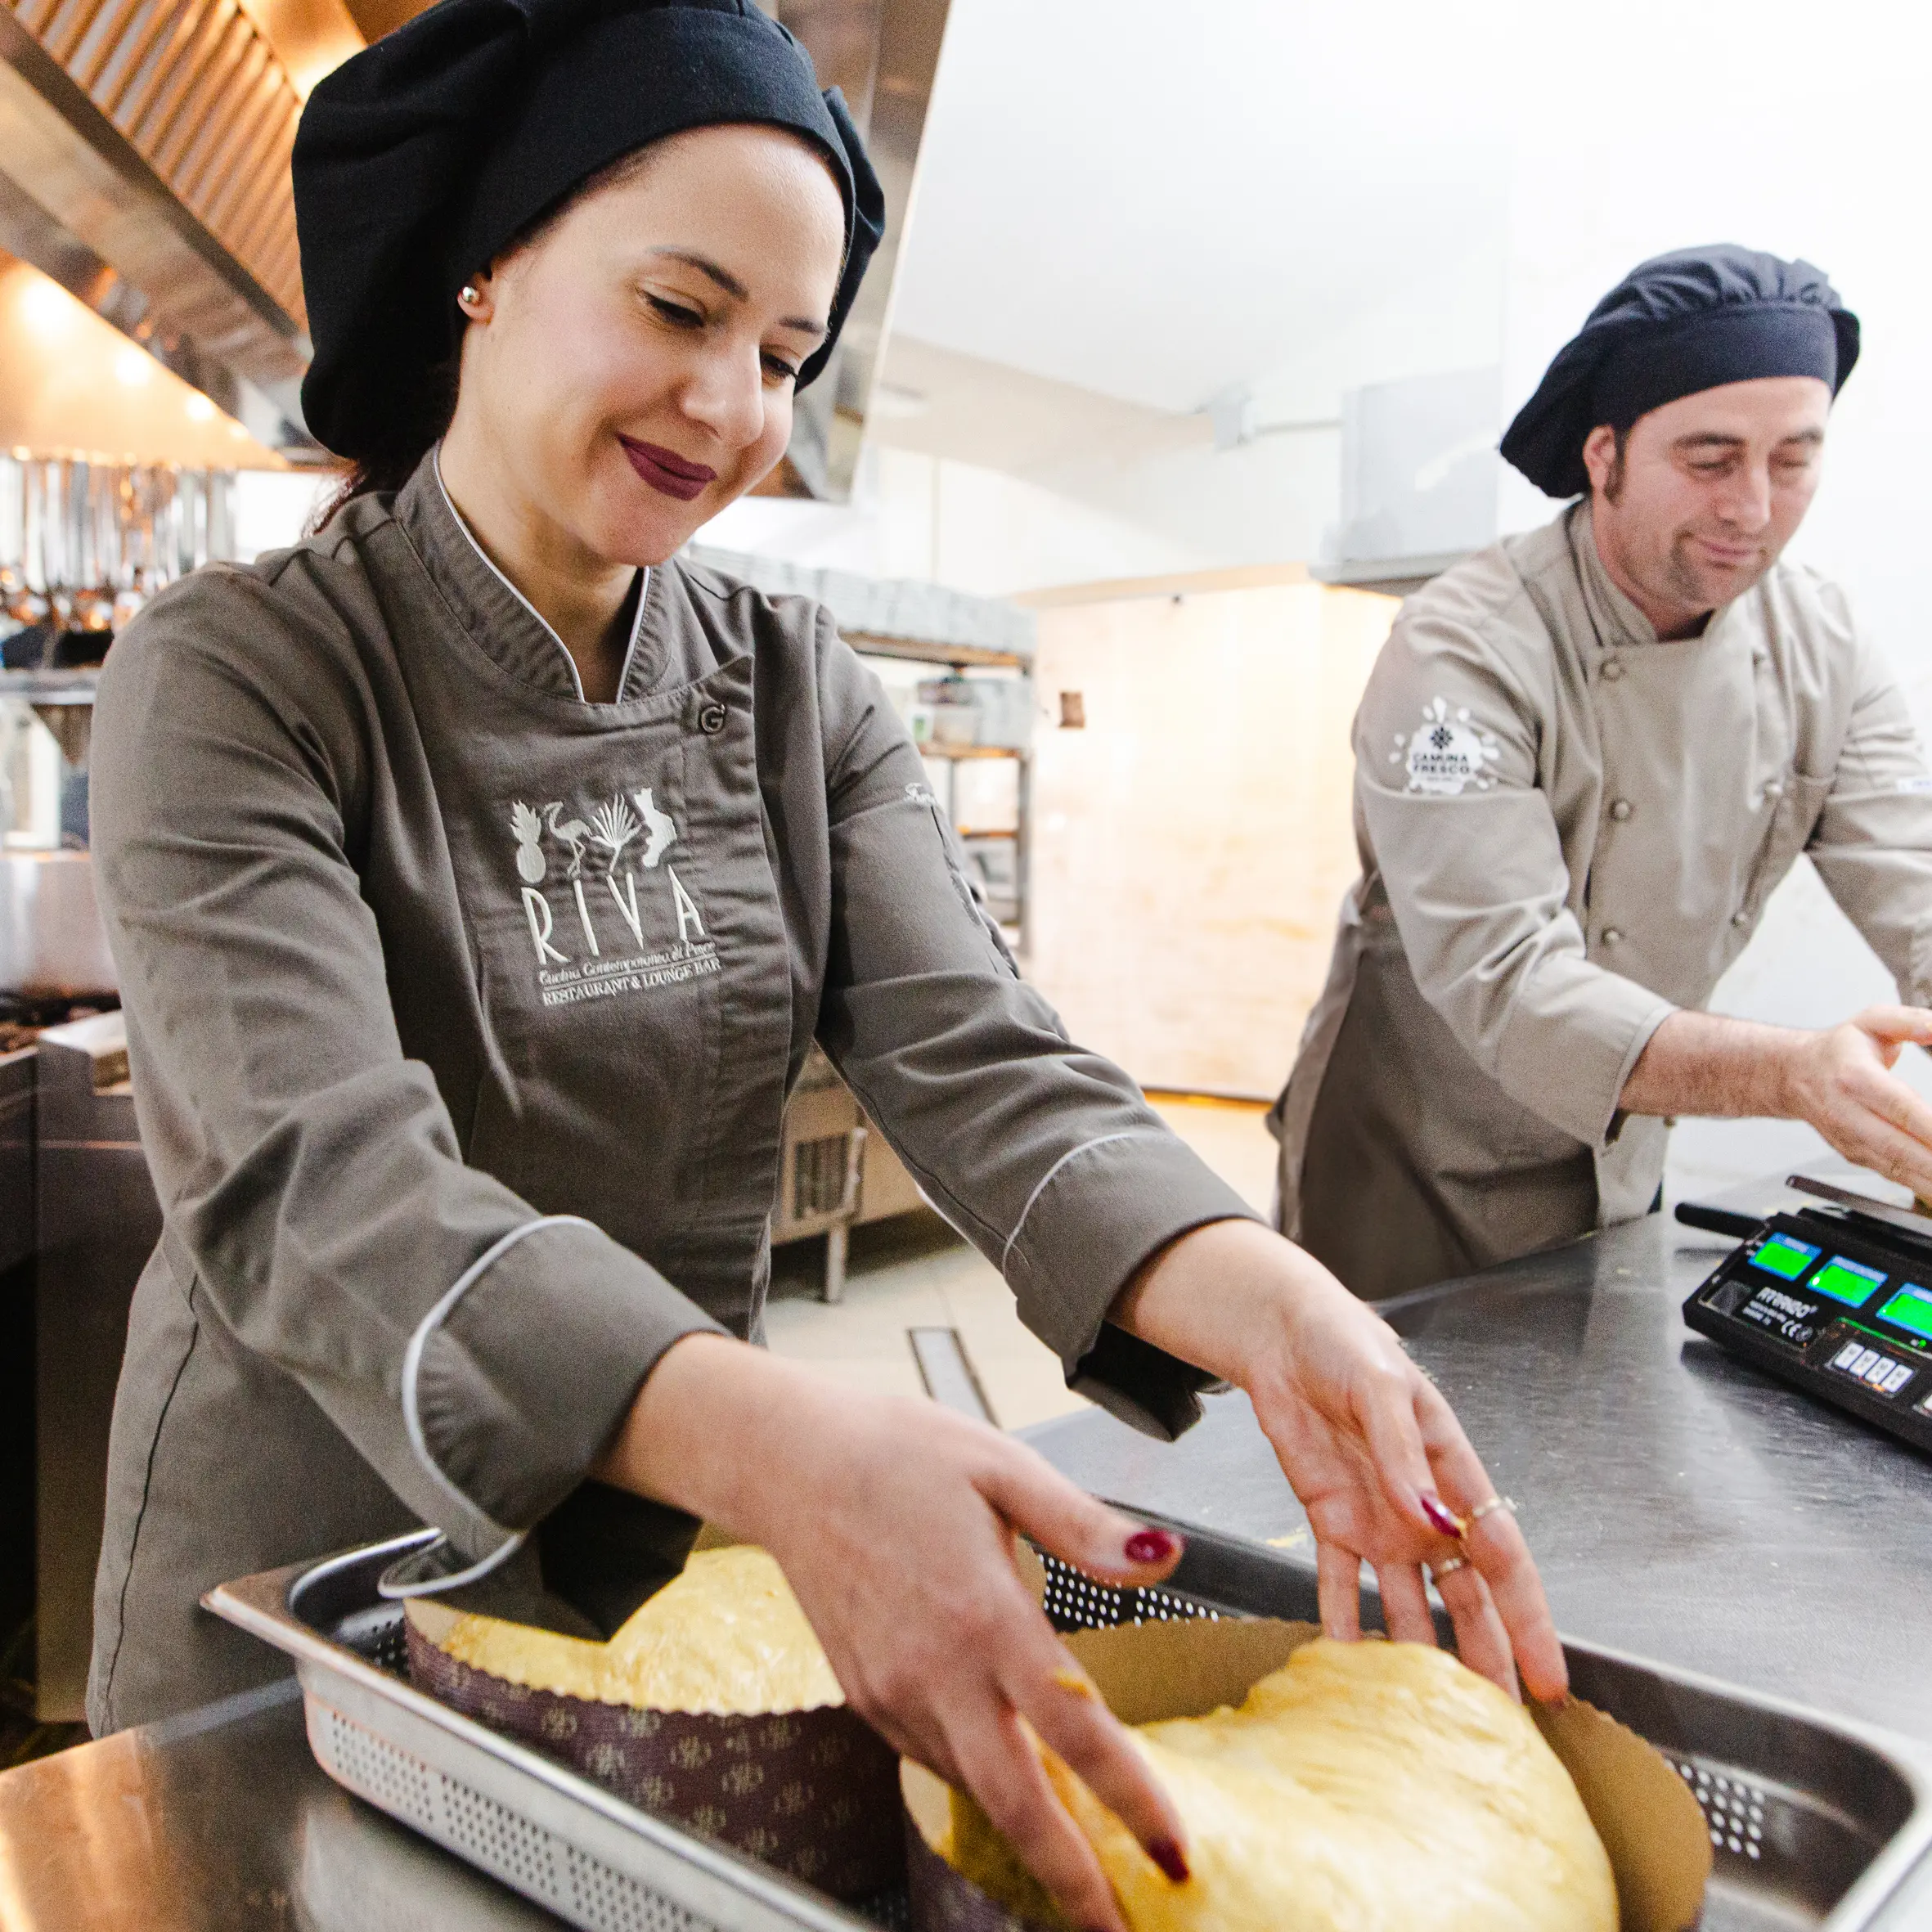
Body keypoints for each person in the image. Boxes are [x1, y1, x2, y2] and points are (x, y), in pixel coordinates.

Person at [87, 3, 1561, 1924]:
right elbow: (313, 1186)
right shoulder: (242, 668)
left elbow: (986, 1057)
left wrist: (1278, 1298)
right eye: (680, 308)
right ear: (487, 267)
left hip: (681, 1572)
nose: (729, 405)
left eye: (782, 352)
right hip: (300, 1572)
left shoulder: (798, 693)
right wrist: (788, 1445)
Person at [1272, 244, 1932, 1302]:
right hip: (1410, 1171)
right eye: (1709, 460)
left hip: (1620, 1158)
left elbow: (1913, 871)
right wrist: (1793, 1075)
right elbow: (1508, 982)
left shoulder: (1823, 643)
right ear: (1602, 454)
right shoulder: (1465, 642)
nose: (1752, 508)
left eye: (1792, 460)